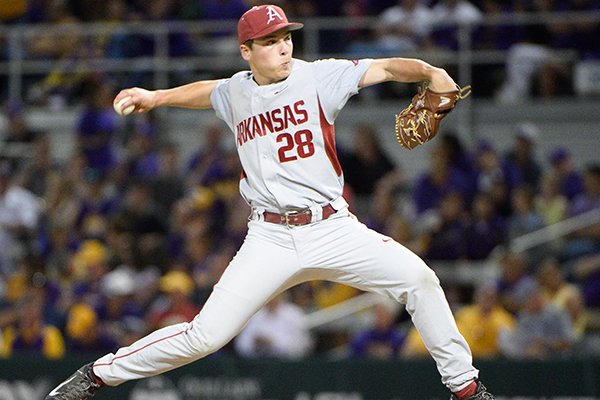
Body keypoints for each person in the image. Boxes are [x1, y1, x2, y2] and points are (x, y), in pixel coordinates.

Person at [44, 5, 494, 400]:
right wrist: (157, 96)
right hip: (270, 237)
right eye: (270, 41)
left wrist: (432, 72)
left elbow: (390, 68)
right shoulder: (237, 90)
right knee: (205, 336)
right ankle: (96, 376)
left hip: (332, 228)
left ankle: (466, 389)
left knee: (419, 279)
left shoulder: (319, 76)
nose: (283, 48)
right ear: (247, 51)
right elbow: (210, 90)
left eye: (286, 38)